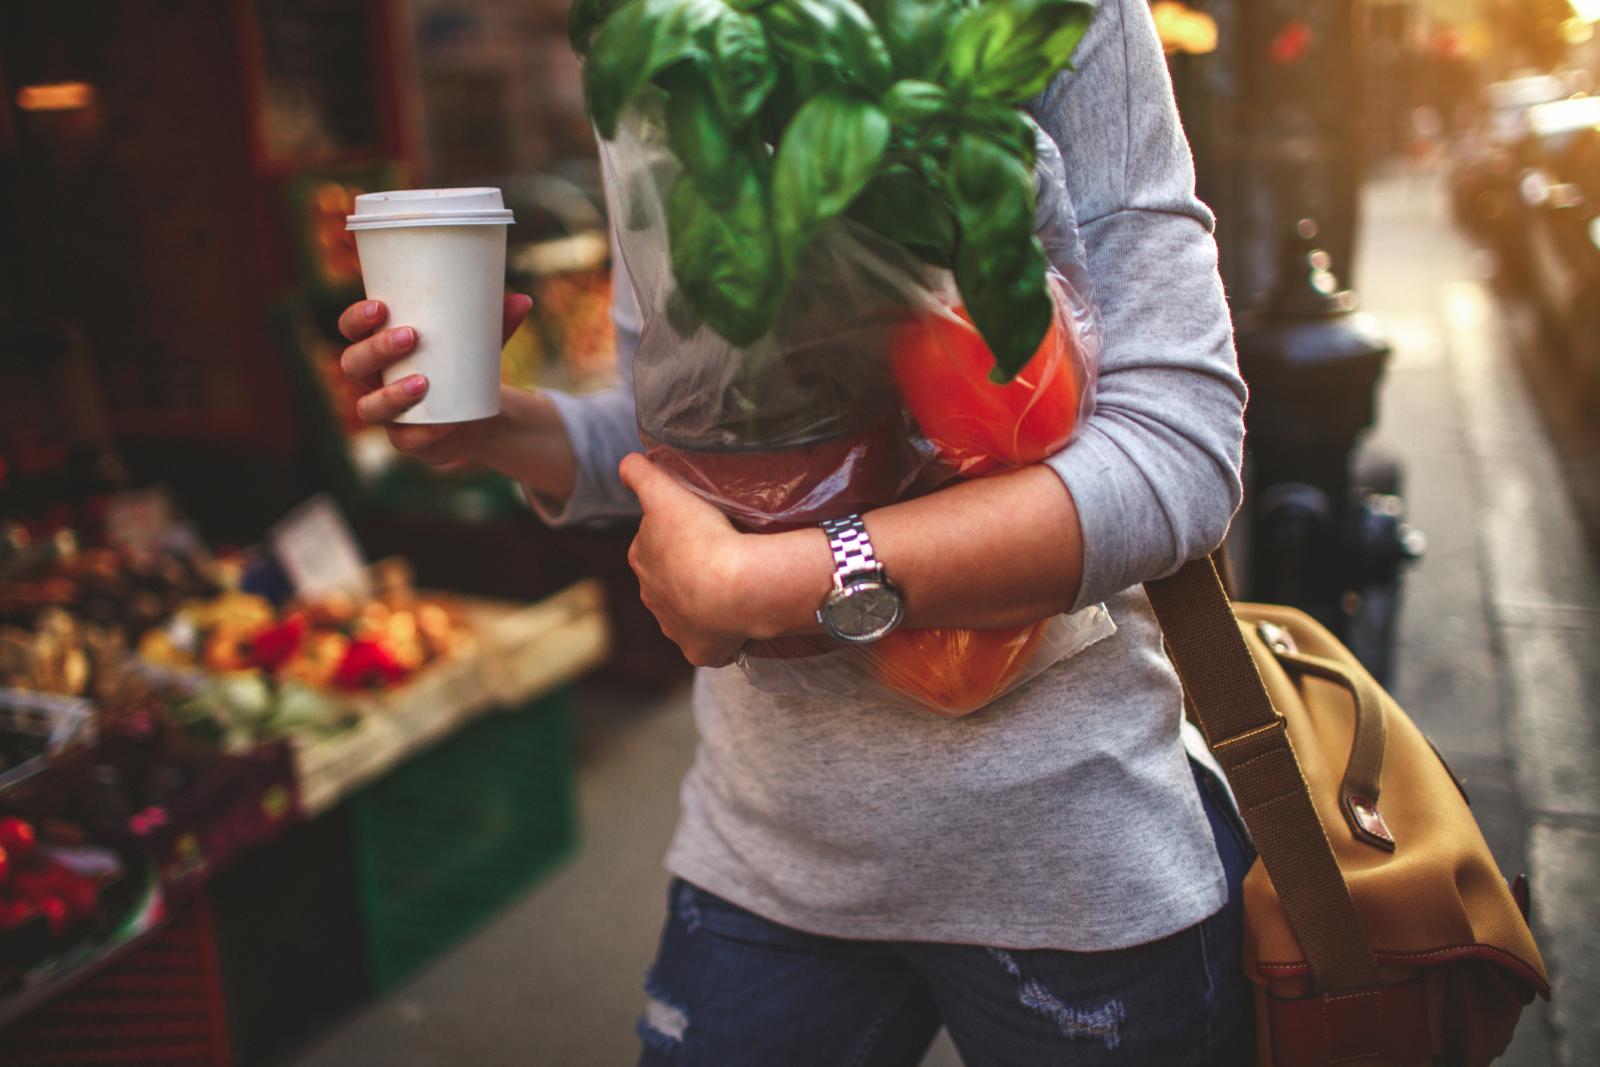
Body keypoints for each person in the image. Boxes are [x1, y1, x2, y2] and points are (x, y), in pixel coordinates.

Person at [338, 0, 1253, 1060]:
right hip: (769, 849)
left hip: (1064, 856)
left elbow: (1179, 454)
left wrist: (778, 585)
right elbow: (687, 438)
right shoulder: (661, 34)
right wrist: (495, 428)